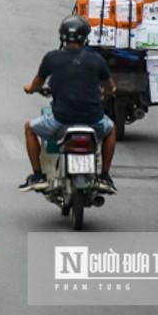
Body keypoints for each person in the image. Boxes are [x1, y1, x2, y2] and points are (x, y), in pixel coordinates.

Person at [21, 16, 117, 193]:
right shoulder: (96, 60)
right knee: (111, 130)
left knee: (29, 128)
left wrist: (29, 88)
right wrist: (106, 93)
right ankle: (105, 176)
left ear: (62, 37)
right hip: (93, 120)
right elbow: (110, 87)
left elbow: (36, 85)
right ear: (85, 38)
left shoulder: (52, 58)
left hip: (61, 121)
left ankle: (37, 175)